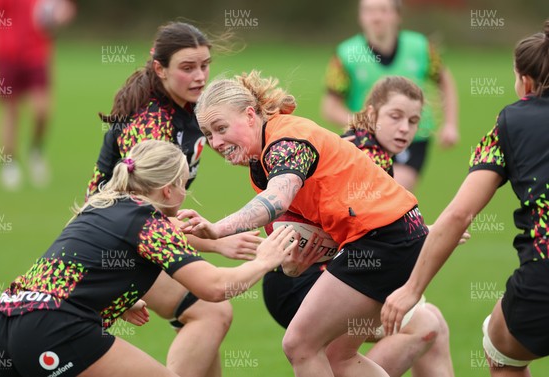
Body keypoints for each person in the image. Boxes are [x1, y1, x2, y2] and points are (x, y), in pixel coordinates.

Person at [178, 70, 438, 376]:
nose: (216, 142)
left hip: (384, 240)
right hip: (391, 237)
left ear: (250, 115)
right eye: (208, 134)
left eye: (221, 128)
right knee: (337, 355)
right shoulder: (261, 164)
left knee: (300, 344)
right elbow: (291, 254)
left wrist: (217, 230)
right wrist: (295, 263)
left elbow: (278, 200)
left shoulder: (286, 142)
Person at [0, 139, 298, 377]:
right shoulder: (147, 221)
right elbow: (213, 289)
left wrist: (115, 298)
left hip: (0, 325)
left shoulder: (103, 204)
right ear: (168, 189)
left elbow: (82, 264)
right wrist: (263, 261)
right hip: (51, 329)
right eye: (184, 183)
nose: (186, 191)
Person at [86, 21, 262, 377]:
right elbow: (140, 221)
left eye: (205, 65)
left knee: (206, 319)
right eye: (187, 67)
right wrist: (218, 242)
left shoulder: (189, 109)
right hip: (115, 246)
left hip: (136, 236)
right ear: (159, 68)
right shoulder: (151, 124)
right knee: (212, 311)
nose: (200, 76)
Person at [382, 20, 549, 377]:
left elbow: (459, 214)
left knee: (500, 348)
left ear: (526, 83)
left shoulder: (512, 122)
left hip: (542, 285)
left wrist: (412, 289)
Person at [262, 76, 455, 377]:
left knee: (431, 324)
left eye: (414, 120)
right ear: (372, 113)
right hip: (302, 280)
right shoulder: (367, 155)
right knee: (424, 326)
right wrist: (428, 233)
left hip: (305, 276)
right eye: (396, 116)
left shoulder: (360, 144)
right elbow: (366, 236)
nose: (405, 128)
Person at [321, 0, 459, 192]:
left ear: (398, 16)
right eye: (369, 11)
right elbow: (330, 107)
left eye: (384, 10)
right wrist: (365, 124)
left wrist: (450, 124)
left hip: (412, 138)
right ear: (360, 17)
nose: (376, 17)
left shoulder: (420, 47)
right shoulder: (345, 55)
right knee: (358, 198)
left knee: (390, 191)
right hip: (366, 139)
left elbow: (444, 80)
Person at [0, 0, 76, 190]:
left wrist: (60, 13)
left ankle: (35, 150)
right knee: (10, 110)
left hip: (36, 52)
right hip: (5, 52)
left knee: (42, 110)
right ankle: (9, 163)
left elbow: (58, 8)